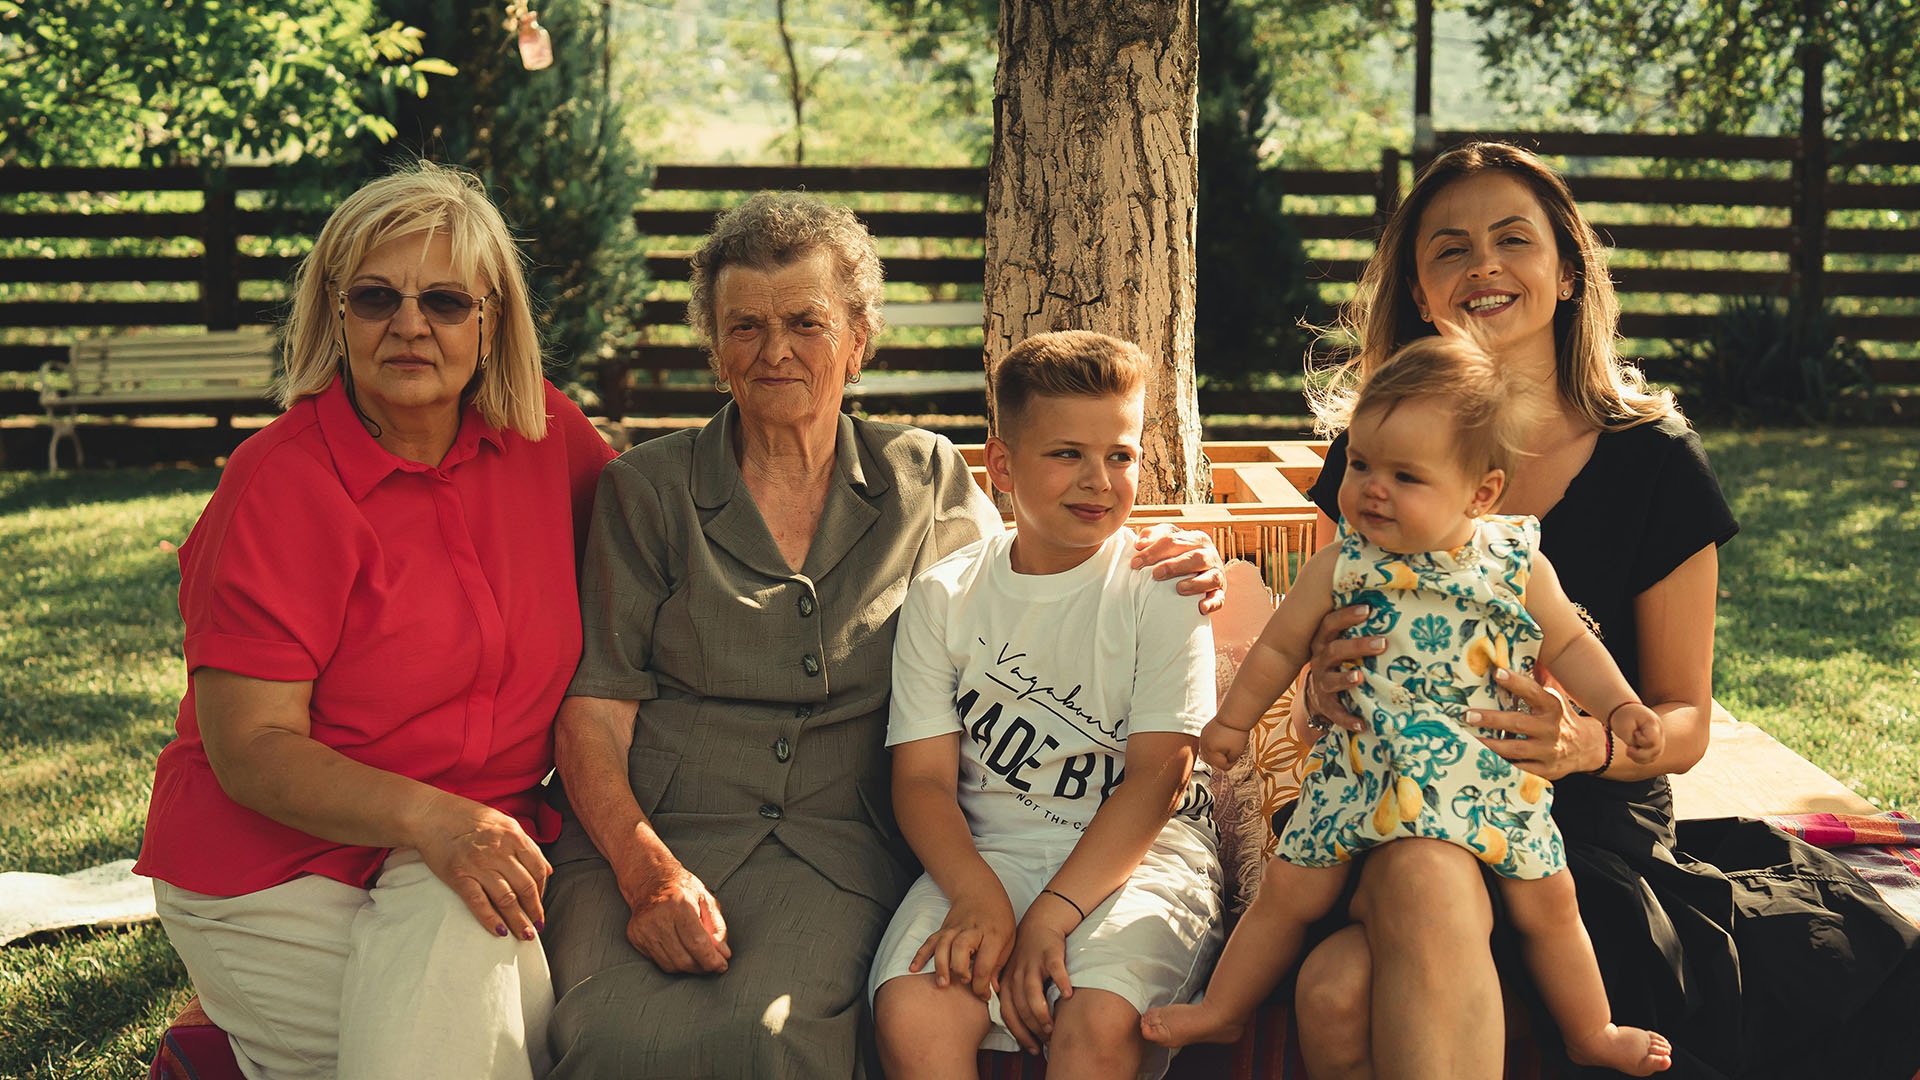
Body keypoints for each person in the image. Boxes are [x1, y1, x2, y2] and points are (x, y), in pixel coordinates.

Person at [539, 193, 1224, 1079]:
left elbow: (1038, 572)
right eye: (743, 325)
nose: (774, 350)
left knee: (774, 1037)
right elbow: (594, 716)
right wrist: (645, 874)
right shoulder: (648, 492)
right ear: (713, 344)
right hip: (659, 835)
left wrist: (1165, 547)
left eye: (806, 322)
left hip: (833, 842)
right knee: (606, 1037)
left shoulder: (922, 477)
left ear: (858, 339)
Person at [1282, 142, 1920, 1080]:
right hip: (1396, 791)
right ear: (1419, 292)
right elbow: (1324, 655)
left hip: (1582, 816)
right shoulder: (1377, 451)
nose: (1484, 266)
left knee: (1343, 984)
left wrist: (1591, 744)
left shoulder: (1654, 459)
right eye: (1450, 249)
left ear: (1569, 270)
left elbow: (1684, 716)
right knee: (1371, 934)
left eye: (1513, 239)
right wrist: (1320, 689)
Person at [134, 161, 617, 1080]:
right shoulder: (277, 484)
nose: (408, 324)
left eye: (442, 300)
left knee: (483, 992)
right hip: (274, 868)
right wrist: (438, 823)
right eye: (375, 297)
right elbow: (252, 748)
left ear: (491, 321)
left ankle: (213, 1058)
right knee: (508, 1038)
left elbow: (663, 552)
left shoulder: (548, 443)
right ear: (335, 314)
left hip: (465, 846)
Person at [1140, 335, 1671, 1075]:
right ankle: (1224, 1009)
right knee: (1287, 894)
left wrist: (1617, 708)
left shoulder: (1514, 560)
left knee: (1551, 907)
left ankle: (1592, 1030)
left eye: (1405, 475)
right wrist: (1232, 722)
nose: (1371, 489)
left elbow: (1573, 648)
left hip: (1483, 780)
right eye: (1360, 463)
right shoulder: (1343, 563)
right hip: (1364, 774)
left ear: (1480, 493)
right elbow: (1276, 648)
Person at [869, 330, 1225, 1080]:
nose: (1099, 480)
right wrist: (979, 896)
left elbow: (1159, 777)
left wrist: (1052, 917)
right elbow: (924, 782)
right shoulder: (945, 595)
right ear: (1000, 466)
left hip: (1143, 858)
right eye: (1067, 454)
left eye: (1120, 455)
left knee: (1095, 1020)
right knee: (913, 1011)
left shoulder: (1163, 587)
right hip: (989, 855)